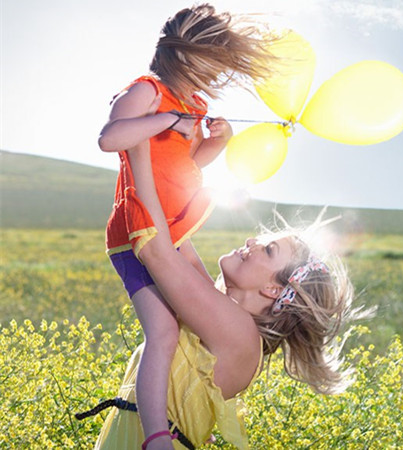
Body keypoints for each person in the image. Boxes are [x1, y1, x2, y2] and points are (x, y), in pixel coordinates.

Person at [97, 4, 274, 448]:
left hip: (172, 230)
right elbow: (110, 138)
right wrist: (163, 120)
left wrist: (218, 142)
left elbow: (185, 169)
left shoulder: (192, 105)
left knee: (188, 329)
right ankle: (156, 435)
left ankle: (186, 418)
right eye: (209, 67)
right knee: (165, 332)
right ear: (185, 56)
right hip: (138, 232)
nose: (212, 80)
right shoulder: (147, 91)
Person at [81, 214, 365, 449]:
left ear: (273, 289)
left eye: (268, 249)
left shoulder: (239, 332)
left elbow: (157, 249)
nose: (252, 241)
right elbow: (181, 244)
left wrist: (138, 153)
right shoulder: (225, 320)